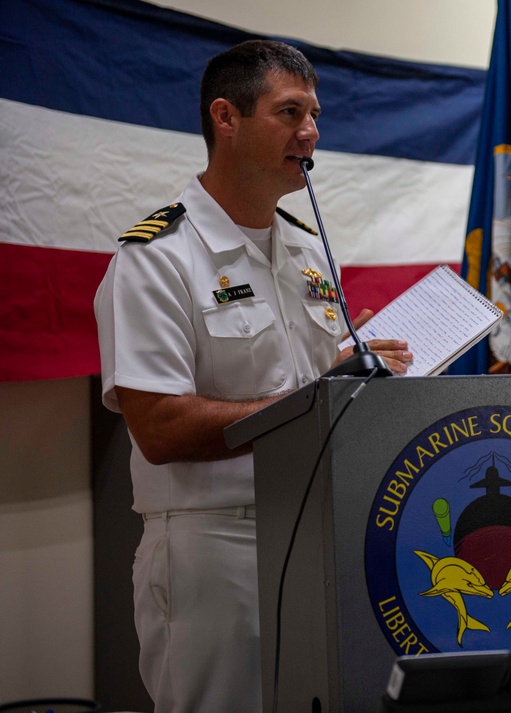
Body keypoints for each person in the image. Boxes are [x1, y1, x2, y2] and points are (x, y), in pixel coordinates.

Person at [94, 40, 411, 712]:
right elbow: (160, 426)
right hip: (215, 547)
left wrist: (362, 364)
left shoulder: (306, 246)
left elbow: (316, 375)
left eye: (315, 114)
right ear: (226, 118)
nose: (311, 133)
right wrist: (313, 400)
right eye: (289, 112)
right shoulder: (157, 259)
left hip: (320, 528)